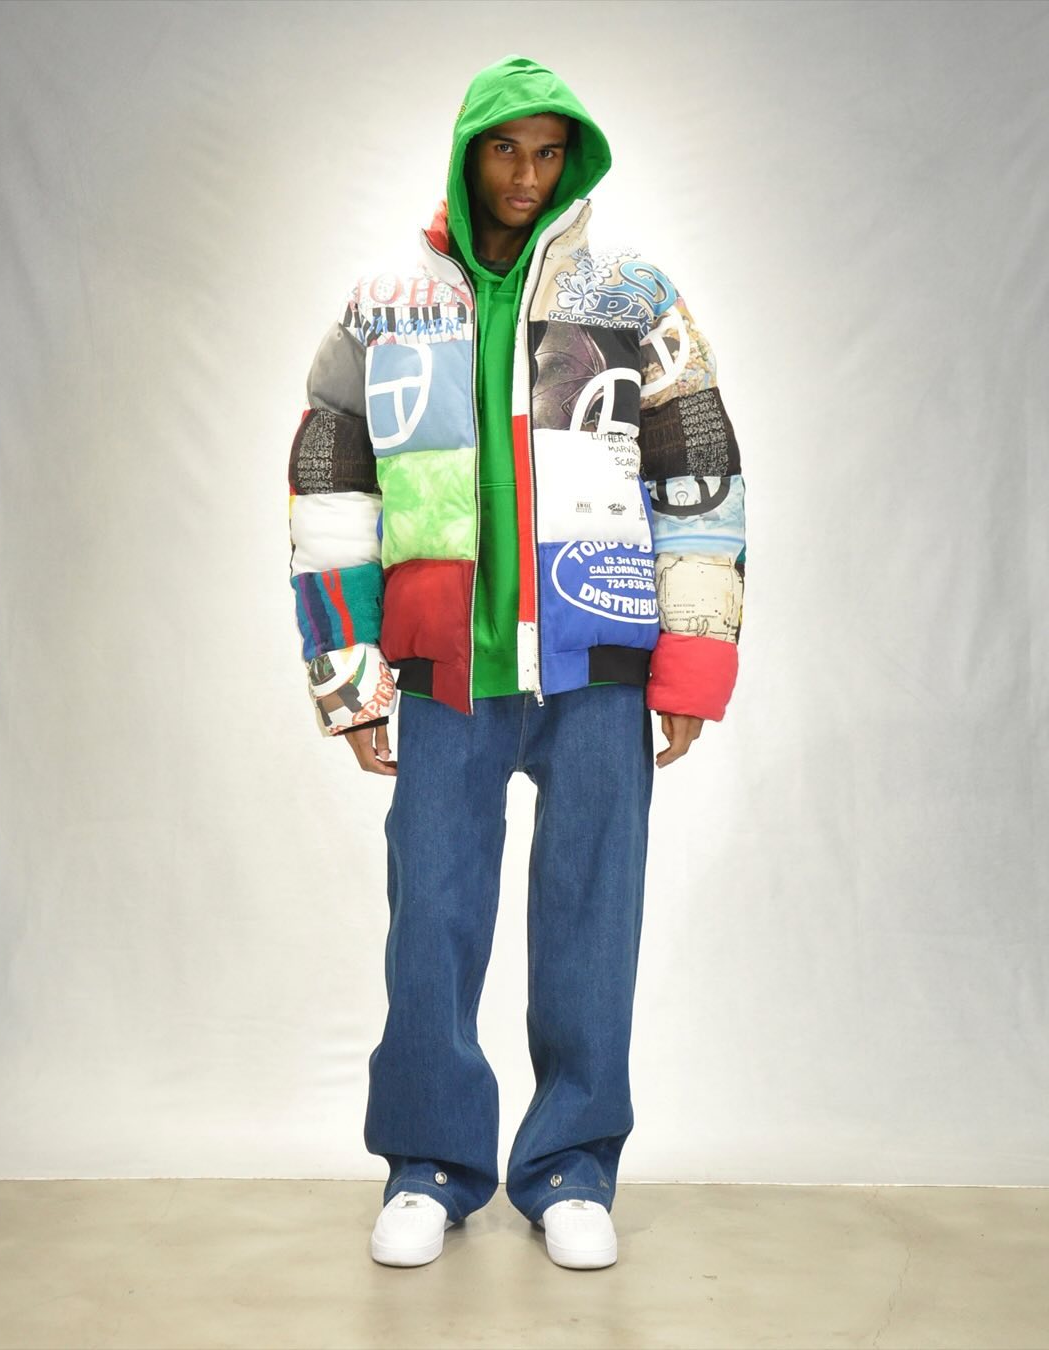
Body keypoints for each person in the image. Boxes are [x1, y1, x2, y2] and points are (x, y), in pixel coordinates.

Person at [287, 54, 745, 1270]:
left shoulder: (633, 295)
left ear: (570, 160)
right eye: (506, 149)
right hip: (448, 669)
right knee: (431, 923)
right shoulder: (385, 305)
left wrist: (693, 663)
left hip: (600, 657)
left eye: (548, 153)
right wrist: (350, 677)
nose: (528, 175)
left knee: (593, 919)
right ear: (468, 154)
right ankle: (430, 1167)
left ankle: (572, 1168)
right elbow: (330, 490)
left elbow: (701, 473)